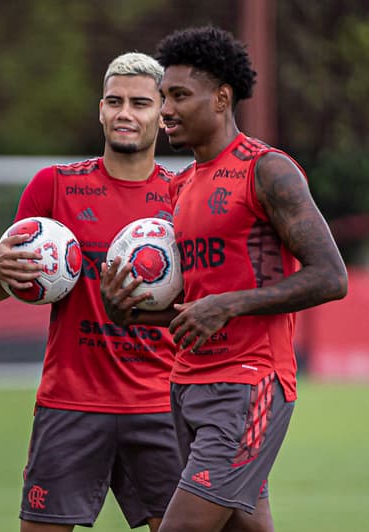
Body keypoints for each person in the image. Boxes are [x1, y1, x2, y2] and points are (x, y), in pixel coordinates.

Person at [100, 26, 348, 532]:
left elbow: (330, 276)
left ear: (221, 97)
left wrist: (229, 304)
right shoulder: (182, 186)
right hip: (187, 383)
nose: (166, 110)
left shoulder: (267, 170)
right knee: (242, 527)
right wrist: (129, 313)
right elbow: (198, 306)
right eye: (164, 96)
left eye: (179, 96)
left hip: (250, 384)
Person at [0, 52, 182, 532]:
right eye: (114, 101)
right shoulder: (54, 186)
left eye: (140, 103)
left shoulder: (184, 195)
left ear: (162, 114)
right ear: (100, 110)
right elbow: (3, 289)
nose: (125, 113)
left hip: (160, 404)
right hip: (70, 403)